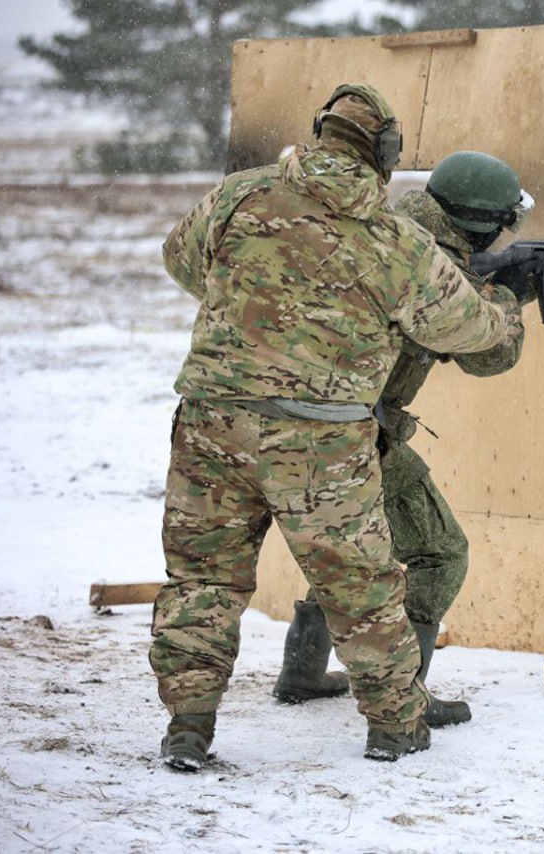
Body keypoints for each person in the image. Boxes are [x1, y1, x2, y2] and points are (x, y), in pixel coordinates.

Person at [150, 84, 521, 772]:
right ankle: (395, 729)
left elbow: (181, 257)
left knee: (202, 581)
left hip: (212, 422)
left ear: (319, 131)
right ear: (385, 156)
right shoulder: (392, 239)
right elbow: (471, 332)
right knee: (364, 590)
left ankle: (188, 728)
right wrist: (504, 305)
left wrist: (260, 305)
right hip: (320, 441)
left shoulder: (240, 194)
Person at [272, 151, 544, 727]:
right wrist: (507, 295)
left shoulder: (389, 231)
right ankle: (405, 698)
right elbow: (487, 357)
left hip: (301, 418)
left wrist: (495, 279)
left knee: (347, 546)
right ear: (486, 222)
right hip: (356, 429)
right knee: (438, 555)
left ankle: (302, 670)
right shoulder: (431, 265)